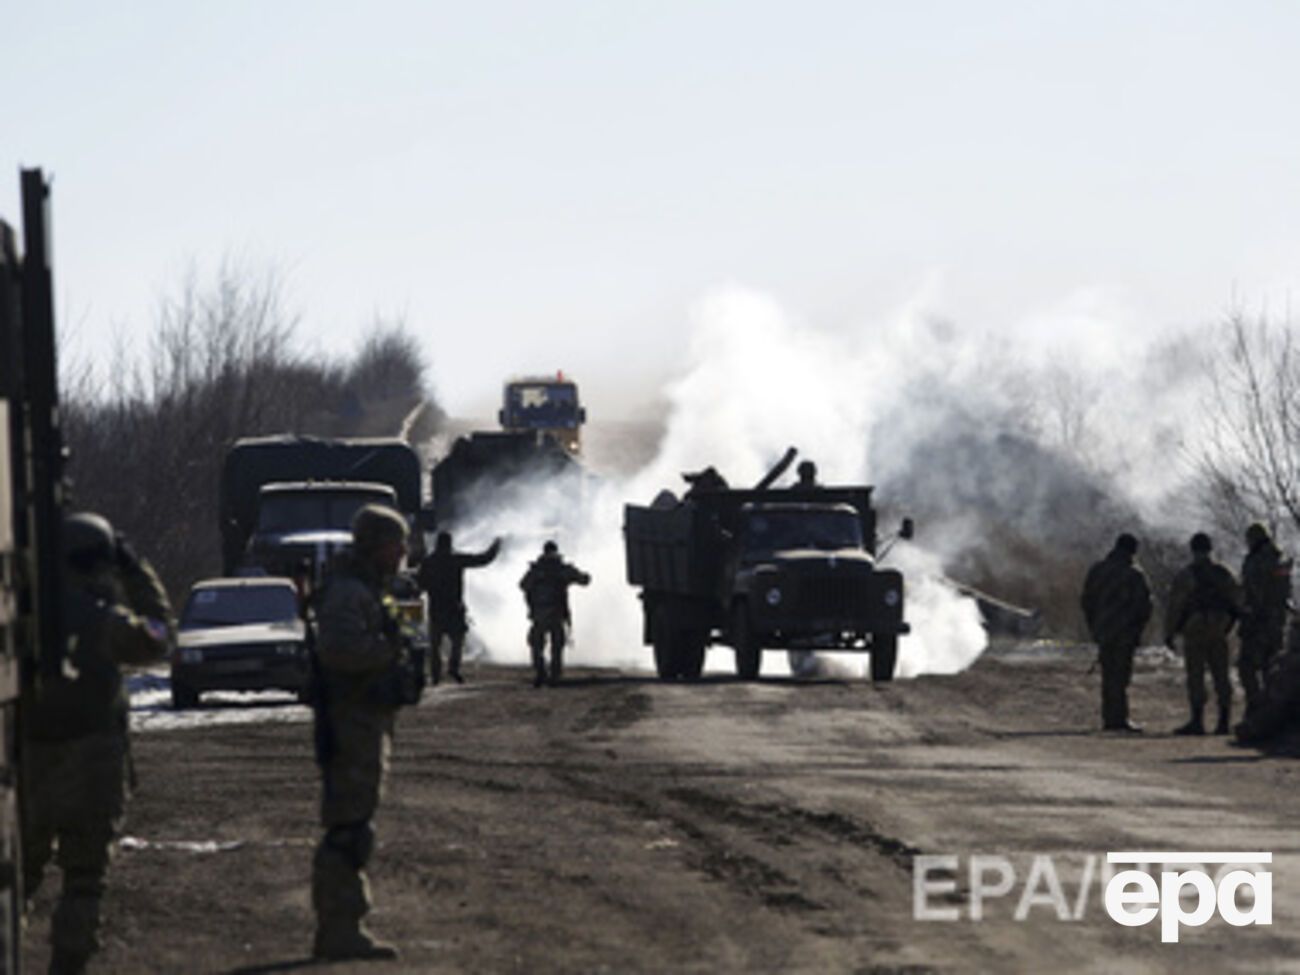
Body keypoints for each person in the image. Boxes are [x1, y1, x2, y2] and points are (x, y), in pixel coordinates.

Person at [22, 513, 174, 975]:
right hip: (93, 764)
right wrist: (137, 571)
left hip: (29, 763)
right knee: (84, 882)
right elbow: (160, 635)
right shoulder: (104, 621)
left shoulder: (25, 615)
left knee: (16, 876)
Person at [309, 504, 416, 961]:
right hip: (349, 720)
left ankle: (344, 925)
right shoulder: (347, 592)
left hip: (365, 719)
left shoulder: (369, 589)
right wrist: (389, 652)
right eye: (396, 546)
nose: (402, 554)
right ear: (376, 545)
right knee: (348, 826)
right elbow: (340, 649)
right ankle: (338, 928)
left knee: (357, 820)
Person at [1165, 532, 1241, 735]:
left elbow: (1175, 606)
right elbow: (1238, 601)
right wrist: (1230, 625)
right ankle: (1223, 721)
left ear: (1193, 550)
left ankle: (1197, 721)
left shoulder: (1187, 574)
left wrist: (1169, 633)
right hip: (1219, 628)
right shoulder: (1224, 572)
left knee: (1196, 675)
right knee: (1221, 674)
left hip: (1195, 628)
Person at [1080, 533, 1153, 733]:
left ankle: (1110, 717)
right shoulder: (1134, 574)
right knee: (1120, 675)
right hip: (1125, 632)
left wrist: (1094, 626)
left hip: (1104, 630)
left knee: (1108, 674)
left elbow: (1087, 601)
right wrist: (1138, 630)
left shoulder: (1098, 570)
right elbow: (1144, 607)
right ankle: (1118, 719)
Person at [415, 531, 501, 684]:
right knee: (457, 642)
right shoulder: (455, 559)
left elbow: (420, 585)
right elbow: (483, 559)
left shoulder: (429, 562)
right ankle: (452, 669)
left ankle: (436, 674)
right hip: (454, 608)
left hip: (436, 609)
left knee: (436, 645)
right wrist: (496, 546)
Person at [520, 541, 591, 687]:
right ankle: (553, 674)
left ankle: (542, 671)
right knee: (556, 645)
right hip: (555, 613)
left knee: (537, 644)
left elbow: (523, 585)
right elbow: (584, 580)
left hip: (540, 614)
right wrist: (583, 576)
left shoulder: (536, 570)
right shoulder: (561, 569)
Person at [1239, 522, 1291, 715]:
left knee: (1247, 667)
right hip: (1277, 622)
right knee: (1271, 668)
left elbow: (1253, 592)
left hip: (1258, 621)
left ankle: (1256, 706)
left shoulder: (1256, 561)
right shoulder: (1279, 559)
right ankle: (1271, 709)